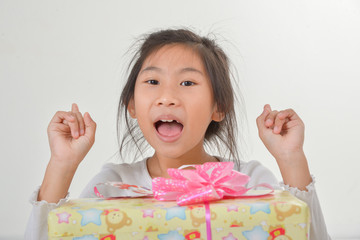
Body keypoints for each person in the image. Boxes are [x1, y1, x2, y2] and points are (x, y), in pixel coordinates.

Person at [25, 28, 331, 239]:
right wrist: (62, 165)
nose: (167, 97)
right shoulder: (113, 186)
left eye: (187, 83)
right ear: (132, 104)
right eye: (153, 82)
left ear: (218, 107)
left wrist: (291, 158)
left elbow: (299, 232)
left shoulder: (249, 180)